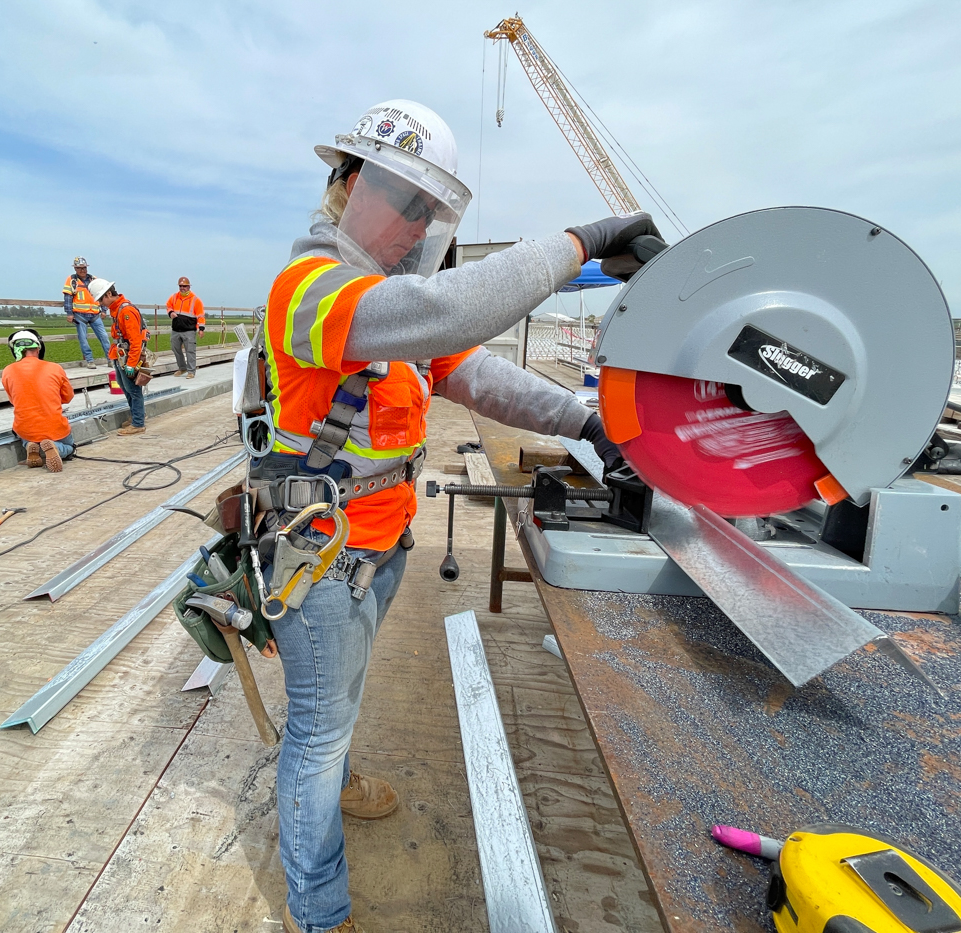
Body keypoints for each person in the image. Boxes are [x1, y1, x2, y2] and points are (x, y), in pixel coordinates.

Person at [256, 99, 667, 933]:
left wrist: (590, 422)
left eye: (428, 213)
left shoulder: (386, 302)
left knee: (341, 706)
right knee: (316, 734)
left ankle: (336, 785)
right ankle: (319, 908)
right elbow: (452, 312)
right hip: (318, 562)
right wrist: (579, 243)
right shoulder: (311, 292)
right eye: (405, 203)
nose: (416, 228)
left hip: (376, 547)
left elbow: (477, 373)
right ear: (345, 184)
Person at [0, 330, 76, 472]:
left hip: (26, 428)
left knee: (23, 432)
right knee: (70, 447)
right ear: (38, 347)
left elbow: (13, 400)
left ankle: (29, 445)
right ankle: (56, 448)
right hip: (55, 427)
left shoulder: (7, 371)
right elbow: (68, 397)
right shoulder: (54, 368)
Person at [89, 278, 149, 436]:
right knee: (125, 387)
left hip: (128, 355)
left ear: (109, 294)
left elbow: (135, 340)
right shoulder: (117, 309)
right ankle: (137, 415)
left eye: (101, 299)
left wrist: (131, 363)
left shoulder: (126, 311)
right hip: (120, 353)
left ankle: (138, 423)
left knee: (133, 389)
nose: (101, 303)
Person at [63, 256, 111, 368]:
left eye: (84, 268)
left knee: (104, 337)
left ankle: (110, 359)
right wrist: (69, 313)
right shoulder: (72, 280)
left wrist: (103, 310)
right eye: (80, 268)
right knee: (83, 338)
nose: (83, 270)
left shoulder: (93, 279)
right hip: (80, 314)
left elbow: (102, 294)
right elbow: (68, 297)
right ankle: (90, 361)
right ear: (75, 269)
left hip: (95, 313)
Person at [166, 276, 204, 378]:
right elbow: (168, 306)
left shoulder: (195, 300)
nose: (182, 288)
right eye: (180, 286)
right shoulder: (174, 297)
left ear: (189, 287)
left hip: (189, 330)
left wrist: (201, 329)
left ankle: (191, 371)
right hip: (176, 329)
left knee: (190, 351)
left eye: (184, 286)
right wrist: (171, 313)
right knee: (176, 349)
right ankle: (182, 368)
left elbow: (200, 315)